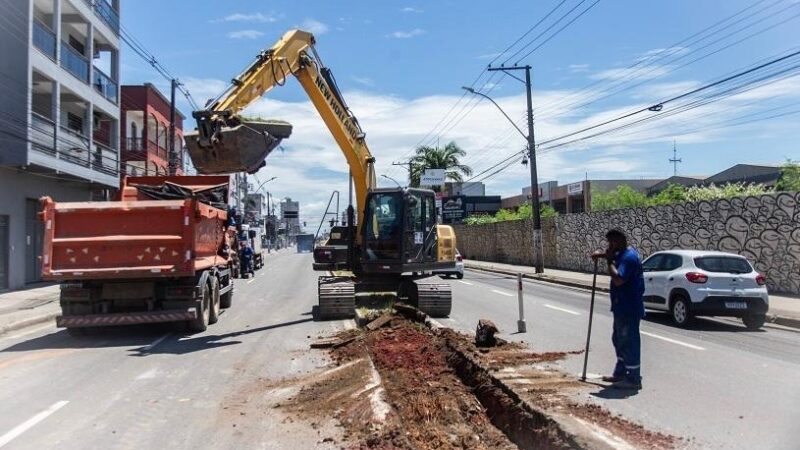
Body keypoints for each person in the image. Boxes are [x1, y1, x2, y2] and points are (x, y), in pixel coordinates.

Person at [592, 228, 645, 390]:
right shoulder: (622, 254)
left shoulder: (629, 258)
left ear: (619, 241)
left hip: (629, 307)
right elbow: (613, 256)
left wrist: (608, 261)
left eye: (612, 242)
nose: (609, 245)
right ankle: (621, 372)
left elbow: (618, 280)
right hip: (621, 306)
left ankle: (633, 378)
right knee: (618, 339)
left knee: (628, 341)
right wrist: (600, 255)